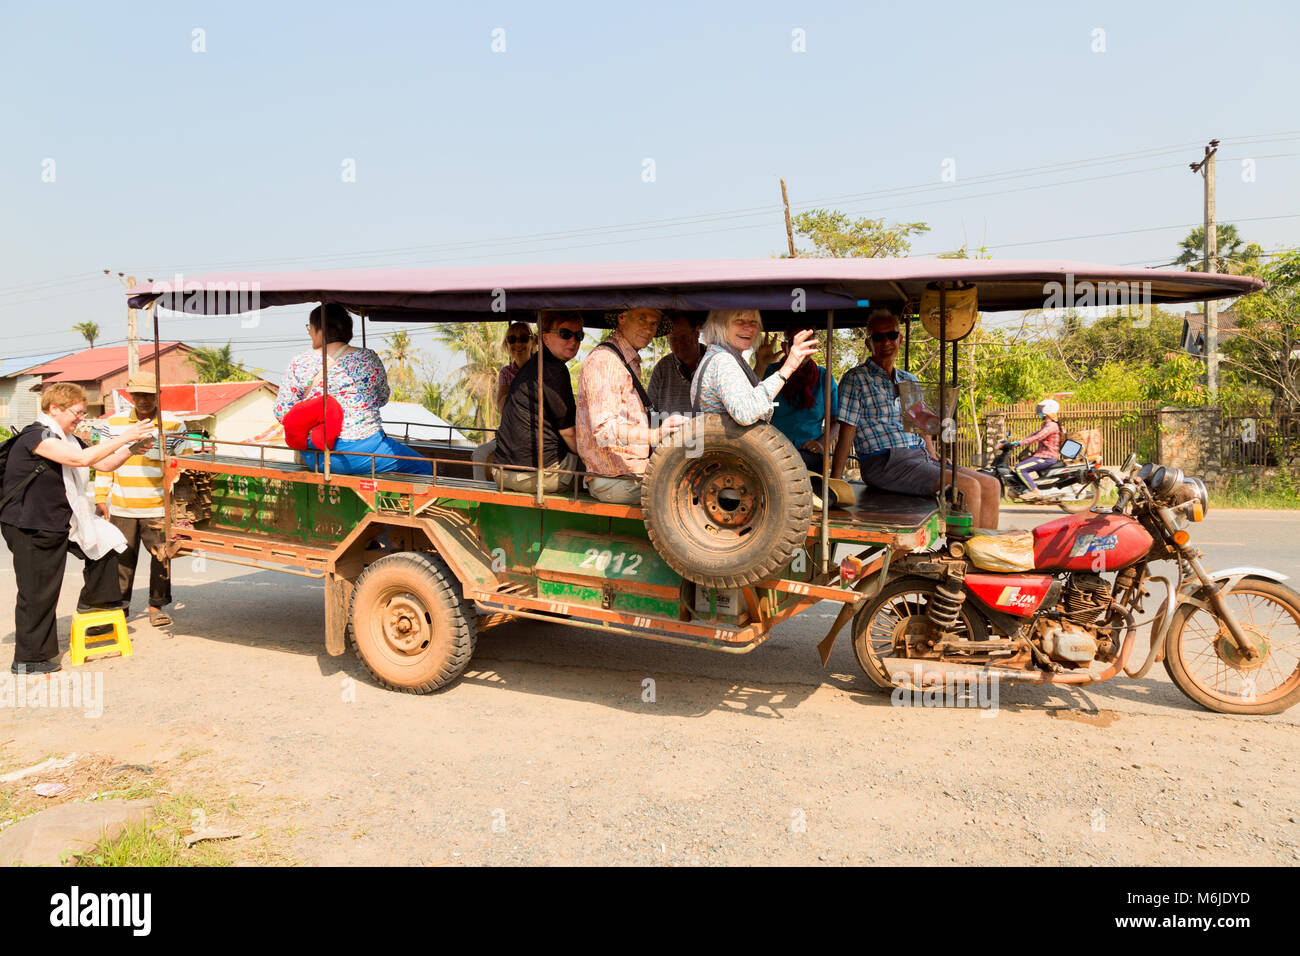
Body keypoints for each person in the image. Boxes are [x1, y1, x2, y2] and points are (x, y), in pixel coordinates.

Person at [1, 383, 155, 674]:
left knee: (106, 546)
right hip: (31, 526)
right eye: (77, 412)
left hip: (64, 521)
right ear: (55, 408)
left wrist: (131, 448)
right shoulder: (38, 436)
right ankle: (29, 659)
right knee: (38, 592)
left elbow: (104, 463)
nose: (81, 419)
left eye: (84, 413)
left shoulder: (68, 438)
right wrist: (124, 435)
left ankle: (93, 606)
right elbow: (80, 460)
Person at [831, 310, 1000, 529]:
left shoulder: (908, 380)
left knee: (991, 485)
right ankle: (968, 553)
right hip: (884, 462)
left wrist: (932, 455)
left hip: (918, 458)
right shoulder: (856, 378)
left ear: (900, 339)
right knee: (969, 487)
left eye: (891, 335)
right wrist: (835, 482)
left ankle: (985, 553)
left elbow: (920, 423)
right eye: (878, 337)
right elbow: (848, 430)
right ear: (868, 343)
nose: (886, 342)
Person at [274, 304, 433, 476]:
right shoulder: (368, 358)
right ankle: (401, 502)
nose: (310, 333)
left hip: (316, 456)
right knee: (423, 467)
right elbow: (382, 398)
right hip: (364, 450)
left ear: (320, 330)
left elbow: (282, 412)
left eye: (310, 328)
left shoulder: (299, 362)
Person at [94, 372, 189, 627]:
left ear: (158, 395)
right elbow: (103, 463)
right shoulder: (113, 424)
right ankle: (120, 607)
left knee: (162, 557)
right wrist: (100, 496)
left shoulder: (173, 425)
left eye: (148, 394)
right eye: (138, 395)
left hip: (159, 505)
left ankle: (156, 606)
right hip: (122, 506)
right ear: (130, 396)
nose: (143, 400)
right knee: (121, 559)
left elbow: (186, 466)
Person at [576, 308, 684, 504]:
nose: (648, 328)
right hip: (613, 477)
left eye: (653, 323)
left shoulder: (628, 361)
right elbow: (603, 431)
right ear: (622, 318)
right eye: (642, 319)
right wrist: (654, 434)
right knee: (685, 497)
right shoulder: (605, 360)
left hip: (632, 471)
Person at [493, 310, 585, 493]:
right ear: (545, 338)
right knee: (595, 469)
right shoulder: (553, 370)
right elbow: (570, 435)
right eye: (565, 334)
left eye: (579, 335)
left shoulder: (533, 365)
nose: (573, 341)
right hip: (533, 476)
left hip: (502, 472)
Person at [691, 309, 818, 424]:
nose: (749, 328)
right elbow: (745, 413)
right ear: (719, 325)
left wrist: (762, 364)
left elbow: (746, 398)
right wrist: (789, 367)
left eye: (753, 322)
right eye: (739, 321)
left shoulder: (719, 355)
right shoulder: (722, 359)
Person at [752, 324, 840, 475]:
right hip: (771, 450)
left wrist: (820, 443)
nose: (802, 347)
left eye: (807, 342)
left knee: (795, 462)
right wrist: (760, 363)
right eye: (796, 342)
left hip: (809, 454)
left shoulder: (824, 377)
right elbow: (748, 402)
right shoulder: (769, 372)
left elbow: (836, 421)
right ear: (785, 346)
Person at [647, 312, 705, 415]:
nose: (679, 344)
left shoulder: (714, 362)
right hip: (672, 431)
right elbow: (650, 411)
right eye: (674, 339)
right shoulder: (662, 368)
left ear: (696, 333)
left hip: (709, 430)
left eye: (684, 337)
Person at [1004, 398, 1063, 498]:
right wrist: (1017, 442)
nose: (1039, 412)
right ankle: (1023, 489)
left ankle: (1034, 491)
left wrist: (1020, 444)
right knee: (1021, 464)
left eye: (1041, 409)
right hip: (1042, 455)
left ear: (1047, 410)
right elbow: (1034, 434)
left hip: (1047, 458)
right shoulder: (1046, 424)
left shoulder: (1052, 425)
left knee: (1019, 468)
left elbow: (1038, 437)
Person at [496, 321, 536, 413]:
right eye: (512, 339)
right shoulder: (506, 372)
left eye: (524, 338)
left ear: (532, 341)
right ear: (507, 344)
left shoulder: (541, 368)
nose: (518, 344)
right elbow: (502, 407)